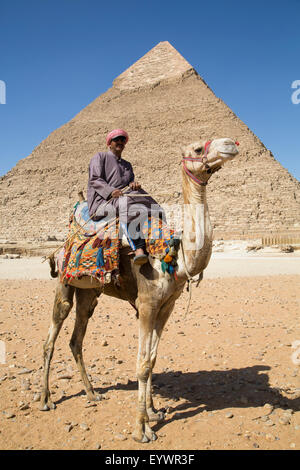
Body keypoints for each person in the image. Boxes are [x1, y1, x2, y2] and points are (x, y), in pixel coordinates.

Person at [87, 129, 164, 265]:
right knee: (127, 206)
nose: (120, 142)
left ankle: (162, 238)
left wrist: (133, 184)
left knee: (152, 204)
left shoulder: (127, 165)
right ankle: (138, 248)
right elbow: (95, 179)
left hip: (123, 197)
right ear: (109, 143)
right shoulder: (100, 157)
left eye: (123, 140)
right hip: (102, 202)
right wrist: (110, 191)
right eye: (117, 139)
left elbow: (129, 183)